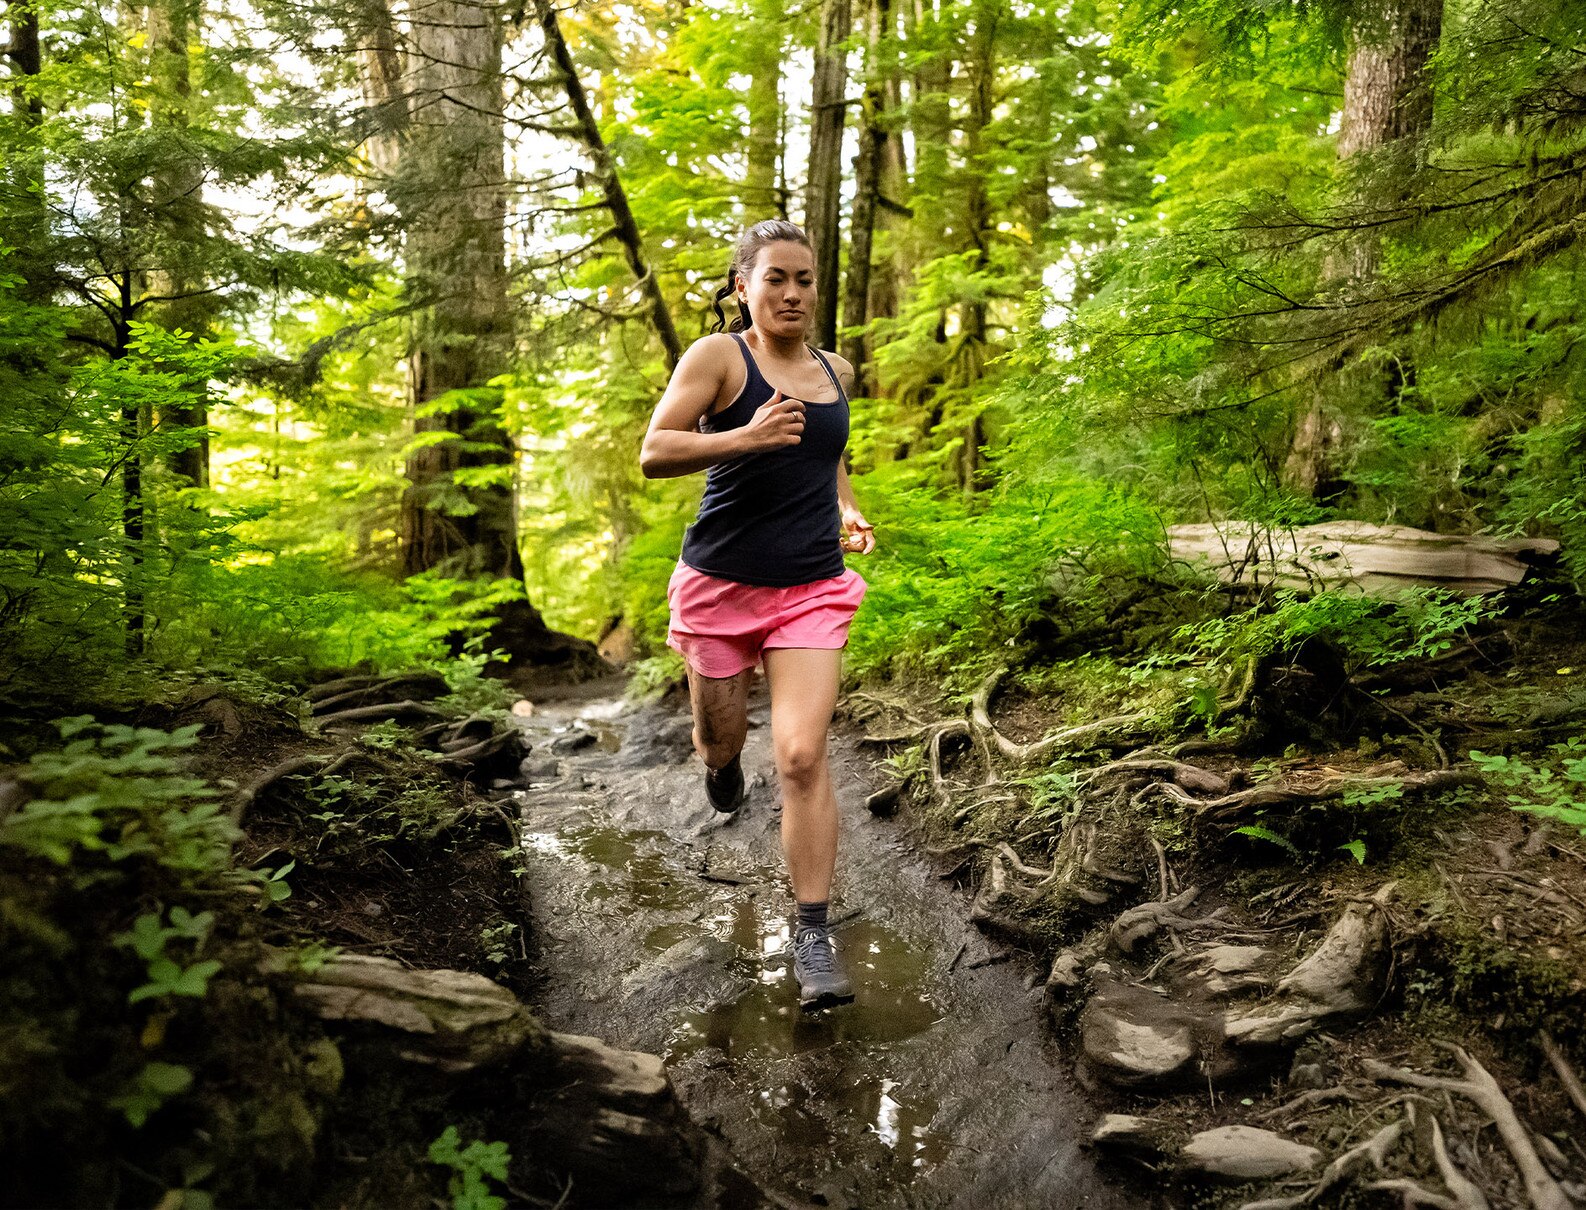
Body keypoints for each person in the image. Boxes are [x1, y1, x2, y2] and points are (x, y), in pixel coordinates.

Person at [638, 219, 876, 1010]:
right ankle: (718, 766)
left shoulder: (835, 369)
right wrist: (743, 436)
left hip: (810, 584)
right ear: (744, 286)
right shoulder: (718, 358)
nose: (793, 293)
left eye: (805, 279)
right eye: (776, 278)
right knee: (720, 737)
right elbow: (655, 451)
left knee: (804, 755)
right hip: (721, 583)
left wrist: (847, 507)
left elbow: (828, 453)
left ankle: (812, 934)